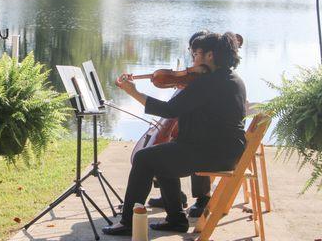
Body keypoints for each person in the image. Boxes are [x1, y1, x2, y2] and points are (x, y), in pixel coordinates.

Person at [102, 32, 246, 236]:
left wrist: (132, 92)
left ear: (210, 56)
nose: (193, 60)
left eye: (196, 54)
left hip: (212, 152)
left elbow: (169, 110)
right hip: (225, 150)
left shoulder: (207, 84)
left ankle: (128, 222)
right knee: (162, 155)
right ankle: (176, 219)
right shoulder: (231, 79)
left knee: (144, 158)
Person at [148, 30, 212, 218]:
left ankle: (203, 197)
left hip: (205, 127)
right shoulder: (195, 71)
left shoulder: (215, 74)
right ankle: (172, 195)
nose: (193, 58)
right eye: (191, 53)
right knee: (163, 140)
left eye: (195, 53)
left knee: (184, 140)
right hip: (191, 116)